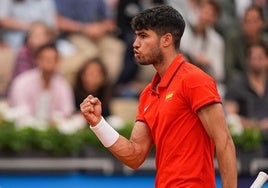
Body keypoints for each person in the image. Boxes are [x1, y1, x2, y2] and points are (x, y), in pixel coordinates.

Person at [80, 5, 237, 187]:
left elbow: (223, 141)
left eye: (144, 36)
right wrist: (98, 123)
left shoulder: (194, 80)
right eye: (136, 35)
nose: (135, 43)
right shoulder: (148, 93)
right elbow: (134, 155)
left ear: (166, 40)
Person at [8, 42, 75, 125]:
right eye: (46, 59)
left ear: (58, 62)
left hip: (53, 132)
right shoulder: (22, 82)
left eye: (53, 59)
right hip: (25, 131)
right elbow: (20, 110)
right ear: (37, 60)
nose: (49, 62)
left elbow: (67, 111)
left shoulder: (63, 86)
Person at [224, 41, 268, 156]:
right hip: (245, 142)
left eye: (260, 58)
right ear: (247, 61)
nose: (256, 62)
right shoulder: (236, 84)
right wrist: (255, 125)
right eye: (253, 58)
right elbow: (231, 117)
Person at [180, 0, 226, 97]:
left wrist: (208, 62)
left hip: (204, 79)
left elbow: (220, 73)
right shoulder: (184, 29)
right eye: (204, 12)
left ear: (215, 19)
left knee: (220, 91)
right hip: (183, 76)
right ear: (197, 11)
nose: (206, 17)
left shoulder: (217, 40)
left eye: (211, 14)